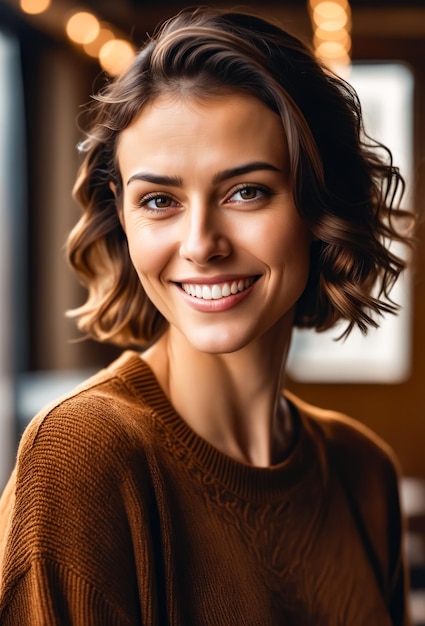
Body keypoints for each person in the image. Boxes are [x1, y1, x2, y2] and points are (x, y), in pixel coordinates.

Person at [0, 7, 414, 625]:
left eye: (246, 191)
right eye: (160, 200)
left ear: (317, 201)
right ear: (123, 213)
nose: (200, 243)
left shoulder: (363, 472)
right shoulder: (84, 454)